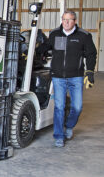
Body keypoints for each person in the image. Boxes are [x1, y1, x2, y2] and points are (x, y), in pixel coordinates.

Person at [39, 10, 97, 147]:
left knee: (77, 107)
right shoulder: (55, 33)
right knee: (59, 107)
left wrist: (89, 72)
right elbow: (48, 46)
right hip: (58, 77)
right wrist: (38, 50)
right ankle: (59, 135)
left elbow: (91, 54)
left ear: (75, 21)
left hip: (76, 77)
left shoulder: (84, 36)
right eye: (64, 19)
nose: (66, 22)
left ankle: (69, 125)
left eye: (69, 20)